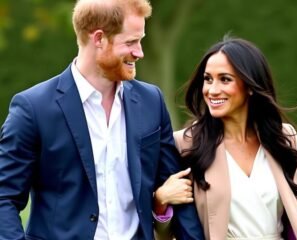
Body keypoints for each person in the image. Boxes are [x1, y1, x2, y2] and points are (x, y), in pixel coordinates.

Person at [0, 0, 204, 239]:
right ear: (98, 38)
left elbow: (178, 186)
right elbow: (4, 196)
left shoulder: (151, 102)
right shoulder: (33, 108)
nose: (140, 52)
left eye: (140, 40)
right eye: (130, 42)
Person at [154, 37, 297, 240]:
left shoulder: (284, 138)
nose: (212, 90)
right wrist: (160, 201)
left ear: (251, 86)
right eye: (208, 79)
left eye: (225, 79)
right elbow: (168, 233)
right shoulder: (185, 144)